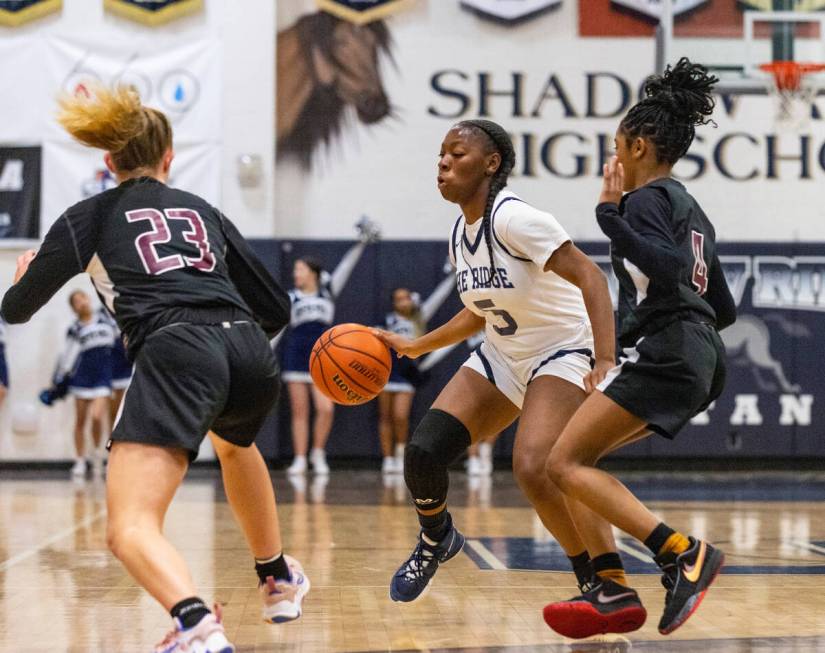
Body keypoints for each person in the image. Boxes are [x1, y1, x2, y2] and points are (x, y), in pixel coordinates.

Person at [1, 84, 309, 653]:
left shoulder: (87, 216)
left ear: (108, 161)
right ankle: (277, 580)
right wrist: (223, 356)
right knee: (236, 446)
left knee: (130, 527)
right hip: (248, 349)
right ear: (169, 158)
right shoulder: (202, 209)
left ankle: (195, 625)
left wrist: (23, 276)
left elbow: (15, 311)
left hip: (176, 348)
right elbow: (276, 308)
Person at [375, 119, 624, 609]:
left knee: (533, 466)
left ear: (491, 164)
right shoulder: (459, 233)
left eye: (457, 153)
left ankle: (591, 580)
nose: (443, 162)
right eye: (440, 155)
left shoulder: (516, 218)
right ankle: (437, 539)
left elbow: (592, 277)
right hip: (504, 354)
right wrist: (417, 345)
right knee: (423, 453)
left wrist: (605, 358)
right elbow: (479, 308)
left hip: (562, 348)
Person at [543, 58, 737, 638]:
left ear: (639, 146)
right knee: (574, 465)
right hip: (696, 351)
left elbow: (670, 266)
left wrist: (609, 219)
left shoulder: (644, 202)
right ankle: (612, 589)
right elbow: (723, 307)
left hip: (672, 347)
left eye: (616, 146)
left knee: (562, 462)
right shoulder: (688, 205)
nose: (613, 160)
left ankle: (682, 553)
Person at [280, 218, 379, 476]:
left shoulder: (328, 291)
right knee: (299, 412)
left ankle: (318, 452)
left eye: (299, 269)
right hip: (296, 354)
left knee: (325, 408)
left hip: (324, 357)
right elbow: (281, 330)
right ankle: (300, 458)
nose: (296, 274)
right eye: (295, 270)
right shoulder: (291, 297)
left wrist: (360, 243)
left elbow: (347, 266)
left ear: (312, 272)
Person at [379, 274, 454, 474]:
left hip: (406, 373)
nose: (403, 302)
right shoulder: (387, 320)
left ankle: (400, 452)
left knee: (400, 416)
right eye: (399, 299)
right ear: (394, 303)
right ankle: (387, 459)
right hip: (386, 372)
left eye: (406, 298)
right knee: (385, 416)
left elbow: (437, 298)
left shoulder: (419, 320)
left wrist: (451, 278)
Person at [57, 290, 114, 477]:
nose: (81, 302)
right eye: (76, 301)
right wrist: (60, 379)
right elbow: (66, 356)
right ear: (73, 308)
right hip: (82, 377)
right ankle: (80, 460)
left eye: (83, 297)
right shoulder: (75, 328)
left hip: (103, 376)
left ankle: (97, 454)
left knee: (98, 417)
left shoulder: (105, 319)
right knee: (81, 420)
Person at [101, 305, 133, 430]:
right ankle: (112, 441)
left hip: (130, 365)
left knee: (130, 410)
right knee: (114, 411)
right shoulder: (100, 316)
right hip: (112, 369)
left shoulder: (129, 307)